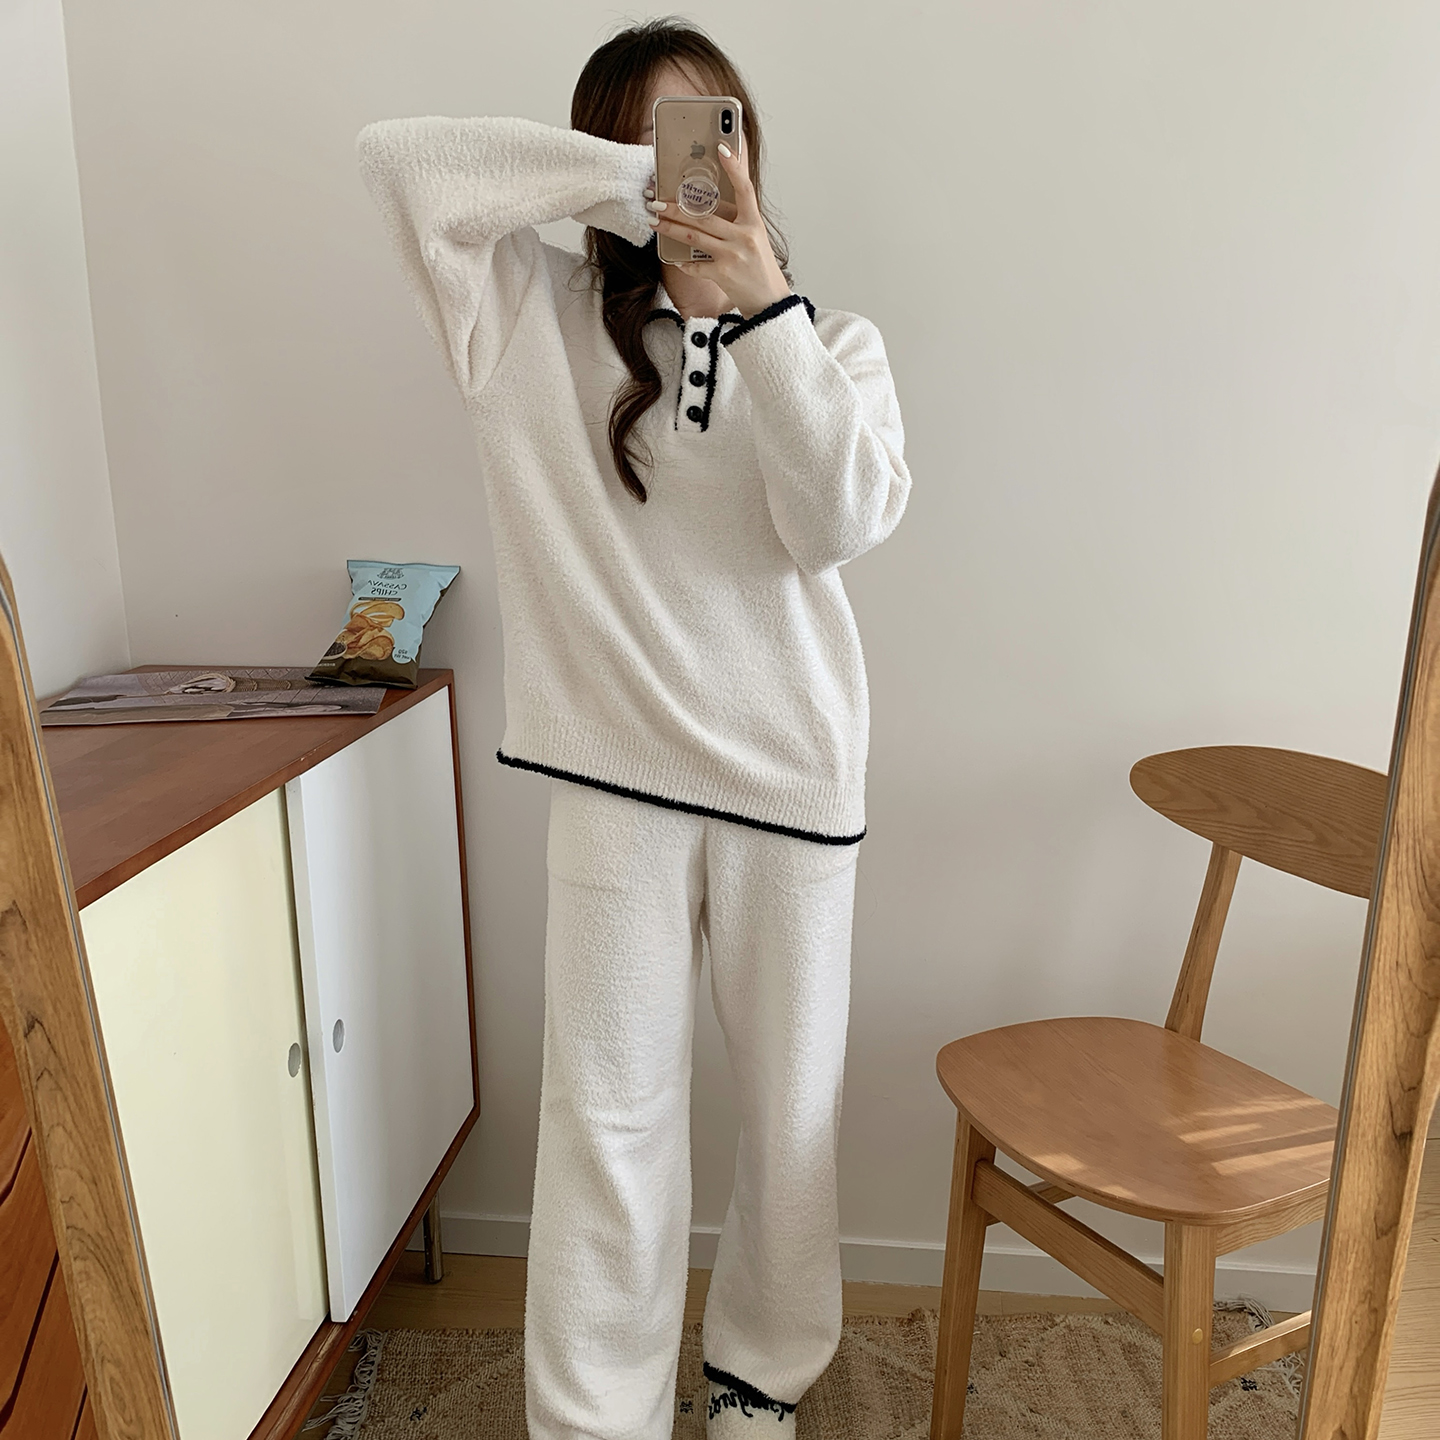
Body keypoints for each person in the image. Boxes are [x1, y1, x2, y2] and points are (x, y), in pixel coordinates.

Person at [357, 17, 910, 1438]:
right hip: (614, 781)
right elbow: (401, 164)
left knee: (789, 1114)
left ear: (754, 153)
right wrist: (625, 191)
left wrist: (762, 305)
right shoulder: (523, 320)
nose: (686, 168)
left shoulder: (835, 345)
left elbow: (841, 522)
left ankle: (758, 1382)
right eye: (654, 140)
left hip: (793, 780)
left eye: (714, 135)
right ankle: (593, 1413)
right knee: (607, 1116)